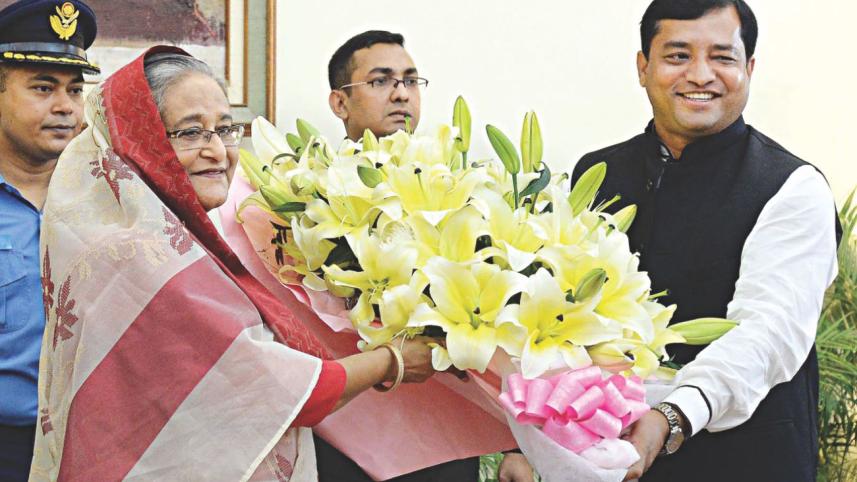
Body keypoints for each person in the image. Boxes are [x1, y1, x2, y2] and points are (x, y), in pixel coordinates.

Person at [29, 47, 437, 481]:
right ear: (140, 142)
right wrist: (394, 360)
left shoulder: (183, 238)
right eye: (190, 132)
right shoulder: (139, 256)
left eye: (225, 129)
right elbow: (282, 392)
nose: (217, 151)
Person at [571, 1, 841, 481]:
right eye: (677, 56)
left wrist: (672, 416)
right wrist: (521, 440)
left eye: (722, 57)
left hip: (747, 461)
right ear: (643, 67)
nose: (700, 75)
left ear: (749, 68)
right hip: (603, 459)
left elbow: (767, 335)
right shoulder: (597, 173)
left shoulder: (792, 188)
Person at [0, 1, 99, 480]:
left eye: (75, 90)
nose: (65, 107)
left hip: (93, 444)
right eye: (43, 88)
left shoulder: (111, 199)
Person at [328, 30, 424, 141]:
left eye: (411, 81)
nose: (403, 95)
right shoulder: (315, 153)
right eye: (381, 81)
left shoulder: (439, 152)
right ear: (340, 104)